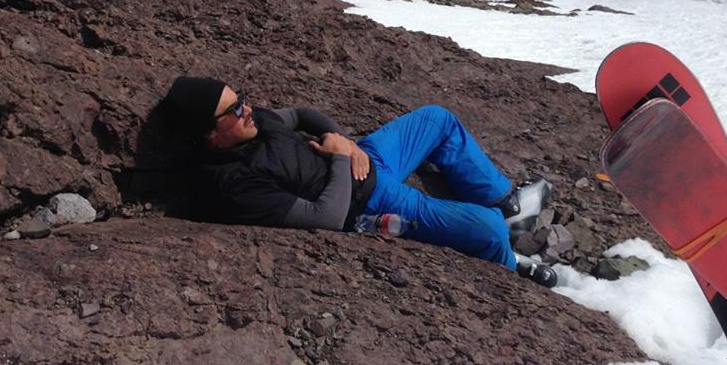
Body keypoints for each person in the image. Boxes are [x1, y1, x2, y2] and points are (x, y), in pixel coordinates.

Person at [159, 75, 557, 287]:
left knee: (437, 118)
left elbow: (299, 115)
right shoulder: (232, 183)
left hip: (364, 158)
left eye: (241, 98)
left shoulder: (247, 124)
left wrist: (347, 143)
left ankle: (509, 208)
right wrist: (338, 158)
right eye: (233, 109)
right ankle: (512, 265)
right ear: (208, 134)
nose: (247, 108)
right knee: (486, 230)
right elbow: (326, 217)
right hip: (367, 202)